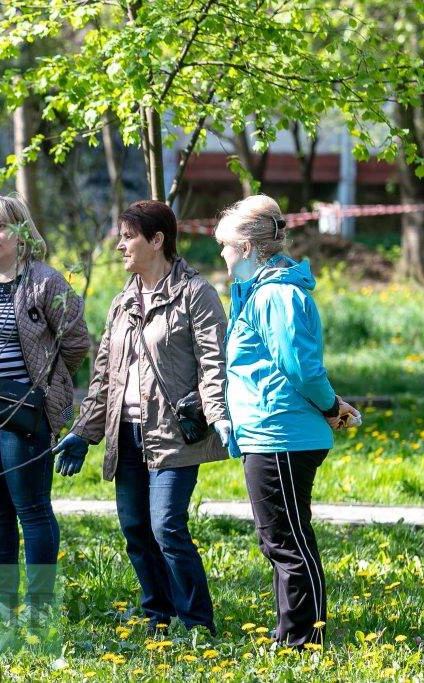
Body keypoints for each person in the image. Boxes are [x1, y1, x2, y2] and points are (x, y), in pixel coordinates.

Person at [55, 200, 231, 634]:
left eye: (128, 237)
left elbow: (214, 364)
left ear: (157, 240)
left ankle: (196, 621)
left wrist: (220, 416)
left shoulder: (196, 293)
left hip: (174, 433)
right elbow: (103, 377)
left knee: (166, 526)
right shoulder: (121, 303)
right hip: (125, 431)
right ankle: (158, 614)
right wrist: (84, 431)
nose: (120, 246)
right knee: (136, 529)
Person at [215, 194, 357, 648]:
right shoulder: (257, 292)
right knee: (278, 538)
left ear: (250, 248)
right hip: (267, 433)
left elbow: (302, 369)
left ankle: (303, 641)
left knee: (287, 541)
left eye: (226, 245)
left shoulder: (276, 295)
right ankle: (292, 633)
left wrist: (333, 407)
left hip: (282, 434)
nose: (221, 253)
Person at [0, 194, 90, 628]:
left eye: (1, 226)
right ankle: (2, 603)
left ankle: (39, 604)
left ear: (22, 233)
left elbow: (76, 342)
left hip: (25, 415)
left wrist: (48, 386)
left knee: (31, 507)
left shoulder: (45, 283)